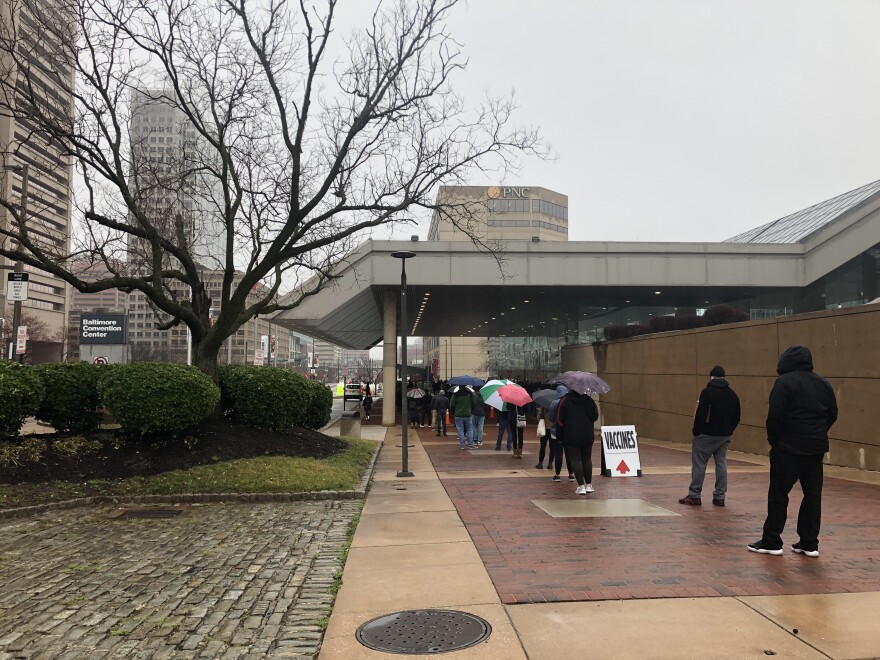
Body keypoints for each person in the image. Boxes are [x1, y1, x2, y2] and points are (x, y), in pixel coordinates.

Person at [749, 345, 838, 556]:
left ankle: (772, 541)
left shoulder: (783, 383)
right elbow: (833, 413)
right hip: (815, 448)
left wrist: (775, 440)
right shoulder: (823, 384)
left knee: (779, 494)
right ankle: (809, 543)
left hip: (788, 448)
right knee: (812, 496)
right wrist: (818, 431)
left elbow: (775, 416)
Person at [679, 365, 741, 506]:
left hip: (706, 434)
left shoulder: (707, 392)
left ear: (711, 377)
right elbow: (737, 416)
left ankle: (695, 495)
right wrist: (729, 430)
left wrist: (696, 431)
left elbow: (701, 414)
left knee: (699, 463)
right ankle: (719, 496)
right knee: (721, 463)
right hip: (724, 435)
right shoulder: (733, 395)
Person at [557, 390, 600, 494]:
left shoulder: (565, 400)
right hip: (587, 434)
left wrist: (560, 435)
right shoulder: (589, 400)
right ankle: (589, 485)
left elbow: (559, 419)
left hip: (571, 434)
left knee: (575, 459)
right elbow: (595, 416)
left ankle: (581, 486)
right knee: (587, 458)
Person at [548, 385, 575, 482]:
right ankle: (571, 474)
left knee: (558, 453)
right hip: (568, 432)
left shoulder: (554, 403)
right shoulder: (570, 402)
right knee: (569, 454)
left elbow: (551, 418)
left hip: (556, 431)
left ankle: (557, 474)